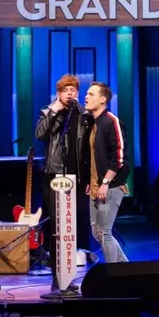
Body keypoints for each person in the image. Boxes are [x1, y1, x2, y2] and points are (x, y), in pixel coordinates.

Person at [35, 74, 88, 298]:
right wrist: (54, 111)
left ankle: (68, 277)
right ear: (58, 92)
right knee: (57, 228)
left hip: (75, 178)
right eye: (65, 90)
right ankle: (57, 280)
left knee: (70, 229)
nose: (69, 93)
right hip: (53, 176)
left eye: (73, 90)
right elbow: (40, 134)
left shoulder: (82, 114)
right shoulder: (49, 111)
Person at [81, 82, 130, 263]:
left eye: (91, 94)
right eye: (86, 93)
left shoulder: (111, 121)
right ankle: (125, 268)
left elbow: (118, 155)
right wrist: (91, 182)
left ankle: (114, 274)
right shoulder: (92, 123)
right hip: (95, 185)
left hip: (111, 185)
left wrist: (105, 182)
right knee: (97, 232)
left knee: (105, 232)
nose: (86, 97)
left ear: (103, 99)